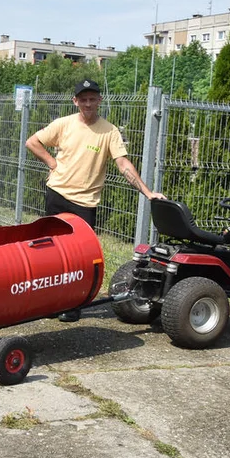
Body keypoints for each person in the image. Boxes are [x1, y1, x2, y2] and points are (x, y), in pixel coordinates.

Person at [26, 79, 165, 321]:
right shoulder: (63, 124)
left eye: (92, 99)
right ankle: (48, 301)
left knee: (79, 258)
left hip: (85, 203)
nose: (88, 103)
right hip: (57, 194)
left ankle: (72, 304)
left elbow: (123, 164)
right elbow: (32, 142)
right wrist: (52, 163)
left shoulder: (109, 131)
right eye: (83, 99)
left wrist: (148, 192)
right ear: (75, 101)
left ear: (99, 100)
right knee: (51, 252)